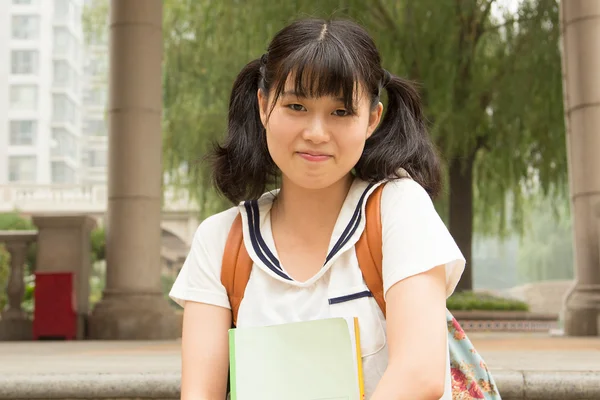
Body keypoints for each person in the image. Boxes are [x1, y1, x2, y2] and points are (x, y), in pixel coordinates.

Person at [169, 17, 465, 400]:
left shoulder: (399, 210)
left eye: (340, 112)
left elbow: (419, 373)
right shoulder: (220, 241)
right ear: (263, 106)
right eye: (296, 106)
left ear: (372, 119)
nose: (316, 133)